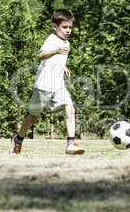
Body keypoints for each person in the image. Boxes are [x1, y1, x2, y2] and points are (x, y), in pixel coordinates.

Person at [10, 9, 85, 155]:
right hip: (43, 86)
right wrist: (56, 51)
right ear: (55, 26)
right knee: (33, 117)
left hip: (58, 85)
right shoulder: (51, 40)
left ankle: (71, 144)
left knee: (71, 109)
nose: (68, 30)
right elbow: (41, 56)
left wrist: (63, 67)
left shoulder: (66, 42)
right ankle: (18, 139)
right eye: (64, 27)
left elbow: (57, 60)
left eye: (70, 27)